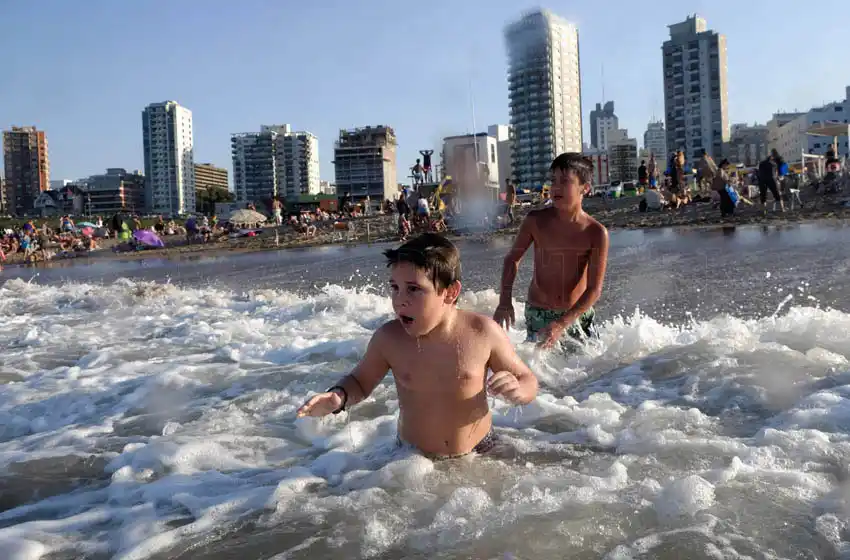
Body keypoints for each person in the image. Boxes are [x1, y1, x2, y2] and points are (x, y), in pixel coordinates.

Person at [296, 233, 538, 459]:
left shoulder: (481, 332)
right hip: (411, 458)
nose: (400, 300)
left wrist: (519, 389)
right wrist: (339, 396)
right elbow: (360, 382)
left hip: (479, 450)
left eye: (414, 289)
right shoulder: (389, 338)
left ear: (450, 292)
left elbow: (527, 378)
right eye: (395, 288)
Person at [494, 153, 609, 349]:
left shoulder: (596, 233)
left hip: (576, 315)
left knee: (584, 374)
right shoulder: (535, 221)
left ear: (585, 188)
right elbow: (512, 259)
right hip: (539, 313)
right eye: (553, 180)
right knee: (541, 372)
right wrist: (504, 301)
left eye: (565, 181)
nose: (555, 187)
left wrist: (562, 323)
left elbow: (594, 289)